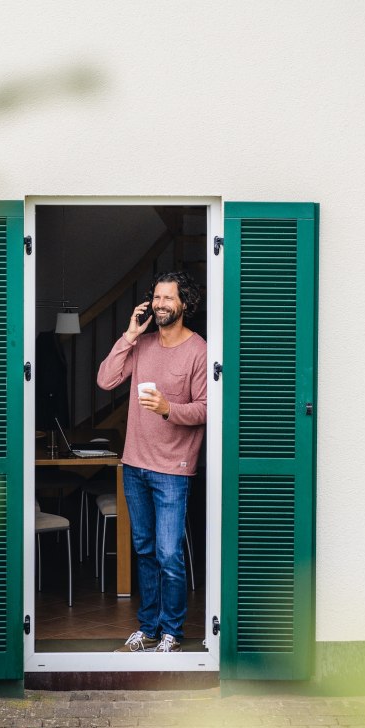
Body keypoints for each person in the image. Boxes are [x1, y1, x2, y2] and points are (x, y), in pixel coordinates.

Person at [96, 271, 207, 652]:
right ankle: (149, 628)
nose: (159, 304)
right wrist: (128, 335)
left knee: (169, 554)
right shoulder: (140, 346)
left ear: (185, 304)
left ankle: (172, 633)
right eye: (156, 298)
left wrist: (167, 409)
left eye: (167, 298)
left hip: (173, 470)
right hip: (135, 464)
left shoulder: (199, 351)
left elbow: (205, 409)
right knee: (144, 550)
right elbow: (106, 380)